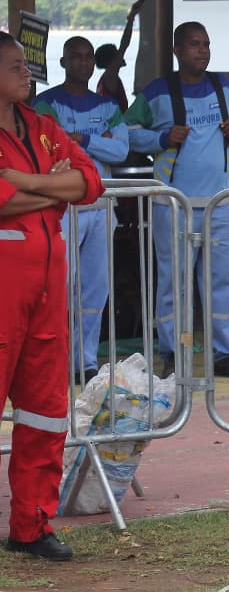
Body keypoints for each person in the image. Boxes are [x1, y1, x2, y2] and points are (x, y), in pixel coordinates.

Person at [0, 31, 106, 561]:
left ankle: (31, 526)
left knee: (44, 412)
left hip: (45, 296)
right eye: (16, 66)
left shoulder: (42, 127)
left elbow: (89, 182)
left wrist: (25, 181)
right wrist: (50, 186)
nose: (28, 73)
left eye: (26, 64)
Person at [126, 21, 229, 379]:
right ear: (177, 50)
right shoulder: (156, 92)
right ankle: (173, 352)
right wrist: (162, 138)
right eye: (195, 44)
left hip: (221, 204)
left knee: (223, 283)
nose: (203, 51)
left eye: (206, 44)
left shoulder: (223, 86)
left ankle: (225, 354)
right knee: (173, 284)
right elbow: (128, 133)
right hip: (174, 205)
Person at [35, 36, 130, 380]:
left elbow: (121, 151)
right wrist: (97, 142)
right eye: (76, 57)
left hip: (101, 205)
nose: (84, 62)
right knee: (61, 285)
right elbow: (54, 150)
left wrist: (83, 139)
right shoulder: (45, 104)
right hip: (65, 208)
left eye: (89, 57)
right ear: (63, 62)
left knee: (95, 287)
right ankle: (56, 357)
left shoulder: (108, 106)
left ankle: (85, 360)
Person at [94, 0, 142, 112]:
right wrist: (131, 18)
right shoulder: (110, 76)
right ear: (111, 60)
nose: (120, 56)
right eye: (116, 54)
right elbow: (124, 44)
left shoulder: (104, 79)